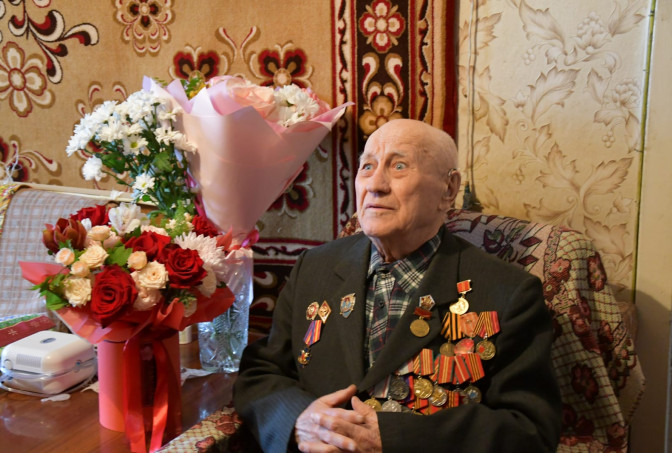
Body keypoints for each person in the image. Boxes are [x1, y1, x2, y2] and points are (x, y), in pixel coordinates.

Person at [234, 119, 561, 453]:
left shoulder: (509, 293)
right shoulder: (314, 268)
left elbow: (530, 431)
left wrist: (397, 439)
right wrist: (297, 419)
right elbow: (261, 372)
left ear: (448, 189)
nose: (375, 185)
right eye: (367, 167)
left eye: (399, 166)